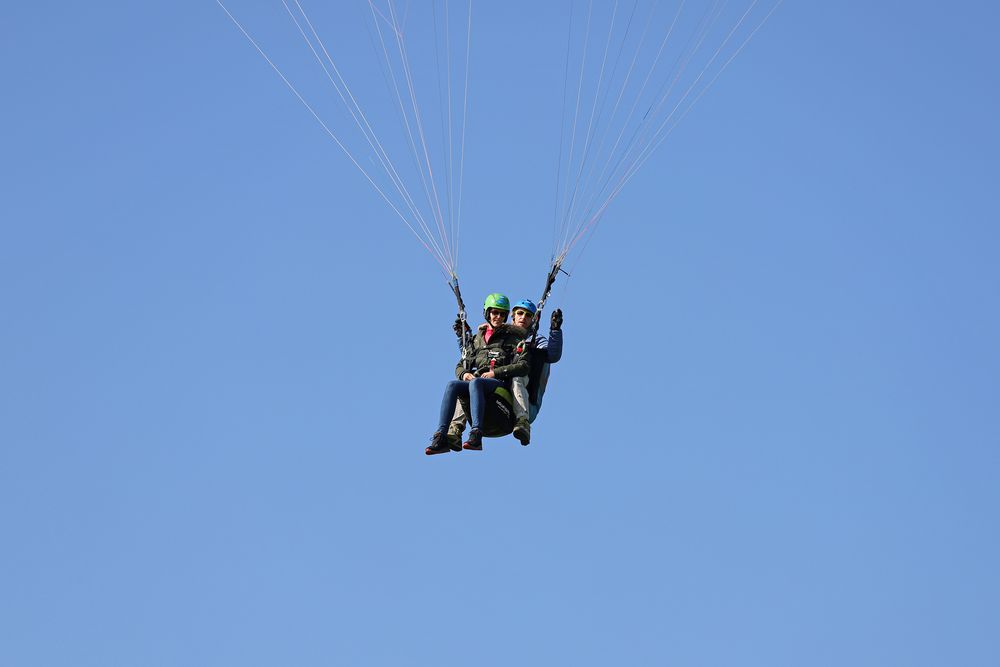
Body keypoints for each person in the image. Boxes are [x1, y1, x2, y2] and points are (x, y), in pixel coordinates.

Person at [446, 300, 564, 447]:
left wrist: (555, 330)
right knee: (468, 383)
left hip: (526, 399)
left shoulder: (535, 340)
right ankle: (455, 429)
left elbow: (552, 355)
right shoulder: (502, 337)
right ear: (512, 317)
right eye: (520, 314)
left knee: (516, 376)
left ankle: (522, 422)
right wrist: (463, 337)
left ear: (534, 320)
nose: (523, 318)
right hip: (499, 387)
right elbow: (476, 358)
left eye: (528, 315)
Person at [426, 293, 529, 455]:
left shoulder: (513, 339)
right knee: (453, 385)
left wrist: (495, 373)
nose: (498, 317)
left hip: (499, 384)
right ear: (487, 313)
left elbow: (523, 366)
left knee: (476, 383)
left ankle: (476, 434)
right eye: (495, 313)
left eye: (502, 314)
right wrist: (464, 374)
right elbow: (461, 364)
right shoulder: (477, 339)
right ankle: (441, 436)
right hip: (479, 381)